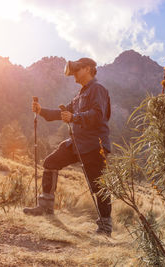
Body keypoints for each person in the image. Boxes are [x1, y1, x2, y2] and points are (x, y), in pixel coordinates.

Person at [23, 57, 112, 236]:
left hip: (95, 145)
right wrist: (41, 111)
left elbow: (98, 114)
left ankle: (105, 227)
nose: (74, 75)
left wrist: (74, 118)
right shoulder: (80, 95)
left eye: (77, 70)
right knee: (50, 162)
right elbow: (61, 113)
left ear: (87, 69)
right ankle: (45, 207)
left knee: (98, 186)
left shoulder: (98, 89)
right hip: (77, 143)